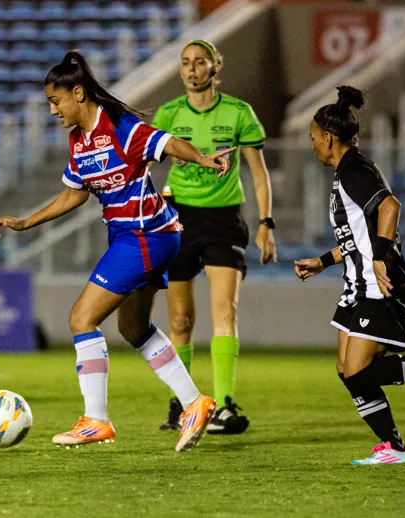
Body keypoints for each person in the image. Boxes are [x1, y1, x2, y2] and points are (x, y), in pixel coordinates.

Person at [0, 51, 232, 452]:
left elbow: (168, 142)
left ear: (78, 94)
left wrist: (202, 158)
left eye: (55, 101)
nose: (53, 111)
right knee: (133, 329)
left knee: (81, 319)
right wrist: (25, 222)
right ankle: (195, 403)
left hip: (145, 235)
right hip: (136, 237)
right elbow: (74, 195)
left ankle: (96, 420)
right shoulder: (79, 140)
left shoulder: (120, 127)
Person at [294, 86, 405, 465]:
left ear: (328, 138)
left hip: (380, 285)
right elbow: (357, 237)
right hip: (357, 285)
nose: (311, 145)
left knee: (359, 373)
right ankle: (394, 447)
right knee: (346, 370)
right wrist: (323, 262)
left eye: (313, 138)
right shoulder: (347, 172)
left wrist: (378, 259)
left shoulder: (355, 171)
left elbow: (391, 207)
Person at [151, 40, 277, 434]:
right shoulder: (168, 114)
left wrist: (266, 223)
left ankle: (224, 406)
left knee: (226, 312)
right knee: (180, 319)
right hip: (178, 219)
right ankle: (183, 404)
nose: (191, 69)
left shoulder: (239, 113)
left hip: (223, 220)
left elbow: (259, 174)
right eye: (185, 63)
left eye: (199, 62)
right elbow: (142, 167)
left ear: (215, 67)